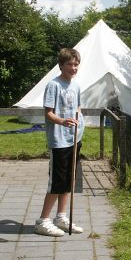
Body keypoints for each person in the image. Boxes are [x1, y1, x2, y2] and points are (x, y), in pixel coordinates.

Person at [35, 47, 85, 237]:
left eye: (76, 64)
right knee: (57, 182)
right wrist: (62, 121)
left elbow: (77, 107)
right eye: (70, 64)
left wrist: (79, 122)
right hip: (59, 141)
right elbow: (48, 113)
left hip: (74, 139)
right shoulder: (53, 85)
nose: (74, 68)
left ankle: (61, 217)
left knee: (69, 180)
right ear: (61, 65)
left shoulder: (76, 86)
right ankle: (42, 221)